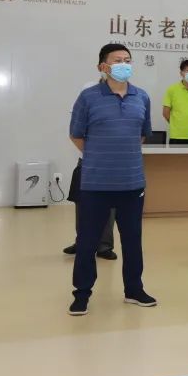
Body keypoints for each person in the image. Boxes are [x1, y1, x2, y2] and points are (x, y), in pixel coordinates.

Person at [67, 44, 156, 316]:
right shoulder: (88, 97)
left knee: (132, 241)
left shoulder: (141, 97)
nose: (124, 65)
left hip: (132, 183)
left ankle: (134, 290)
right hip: (96, 184)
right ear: (102, 67)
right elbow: (76, 134)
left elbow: (142, 134)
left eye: (127, 60)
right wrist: (99, 156)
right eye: (117, 60)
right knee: (87, 242)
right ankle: (82, 293)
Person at [63, 78, 116, 260]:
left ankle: (104, 246)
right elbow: (75, 131)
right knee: (82, 204)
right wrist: (92, 154)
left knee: (109, 206)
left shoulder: (123, 96)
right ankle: (82, 243)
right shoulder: (87, 91)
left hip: (111, 163)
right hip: (86, 161)